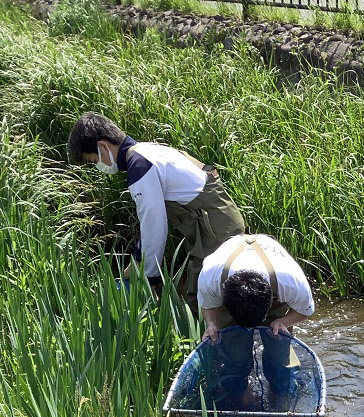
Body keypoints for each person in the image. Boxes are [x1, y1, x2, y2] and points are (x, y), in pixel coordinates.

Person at [67, 112, 246, 305]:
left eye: (94, 161)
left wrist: (149, 277)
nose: (98, 166)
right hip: (216, 219)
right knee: (209, 290)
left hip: (216, 228)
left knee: (205, 296)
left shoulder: (140, 165)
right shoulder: (146, 150)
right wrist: (137, 262)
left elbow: (154, 227)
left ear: (103, 146)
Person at [198, 234, 315, 410]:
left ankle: (279, 399)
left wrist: (283, 321)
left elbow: (306, 310)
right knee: (233, 358)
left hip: (269, 285)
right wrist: (212, 324)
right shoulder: (210, 277)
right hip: (234, 294)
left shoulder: (291, 281)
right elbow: (208, 305)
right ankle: (241, 399)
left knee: (280, 360)